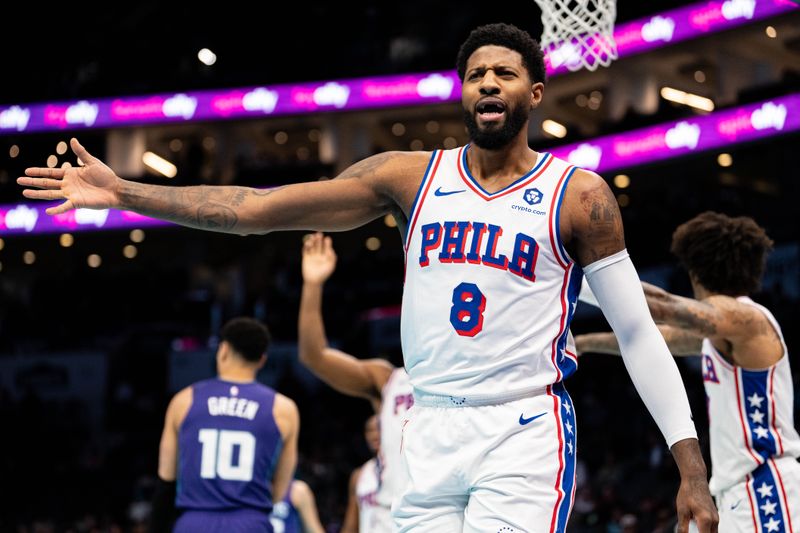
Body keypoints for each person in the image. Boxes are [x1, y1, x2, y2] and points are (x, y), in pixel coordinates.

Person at [20, 23, 717, 532]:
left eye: (503, 74)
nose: (488, 85)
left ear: (534, 92)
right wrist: (127, 193)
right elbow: (256, 211)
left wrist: (690, 467)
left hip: (522, 425)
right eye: (476, 74)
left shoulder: (580, 194)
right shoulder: (408, 177)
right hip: (427, 426)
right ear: (463, 91)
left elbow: (635, 332)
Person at [575, 212, 799, 532]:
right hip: (733, 492)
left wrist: (572, 277)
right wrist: (581, 342)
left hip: (765, 487)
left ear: (694, 271)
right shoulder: (724, 333)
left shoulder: (747, 319)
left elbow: (661, 304)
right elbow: (656, 336)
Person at [300, 232, 411, 532]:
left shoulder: (467, 377)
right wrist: (313, 284)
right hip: (389, 518)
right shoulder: (388, 380)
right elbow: (315, 356)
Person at [150, 317, 299, 533]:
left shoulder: (184, 400)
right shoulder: (284, 409)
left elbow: (166, 479)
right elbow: (280, 490)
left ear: (223, 350)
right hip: (250, 522)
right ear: (262, 360)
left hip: (195, 521)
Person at [341, 415, 392, 533]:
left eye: (379, 428)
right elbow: (351, 524)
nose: (375, 435)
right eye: (370, 430)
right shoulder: (359, 475)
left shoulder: (402, 468)